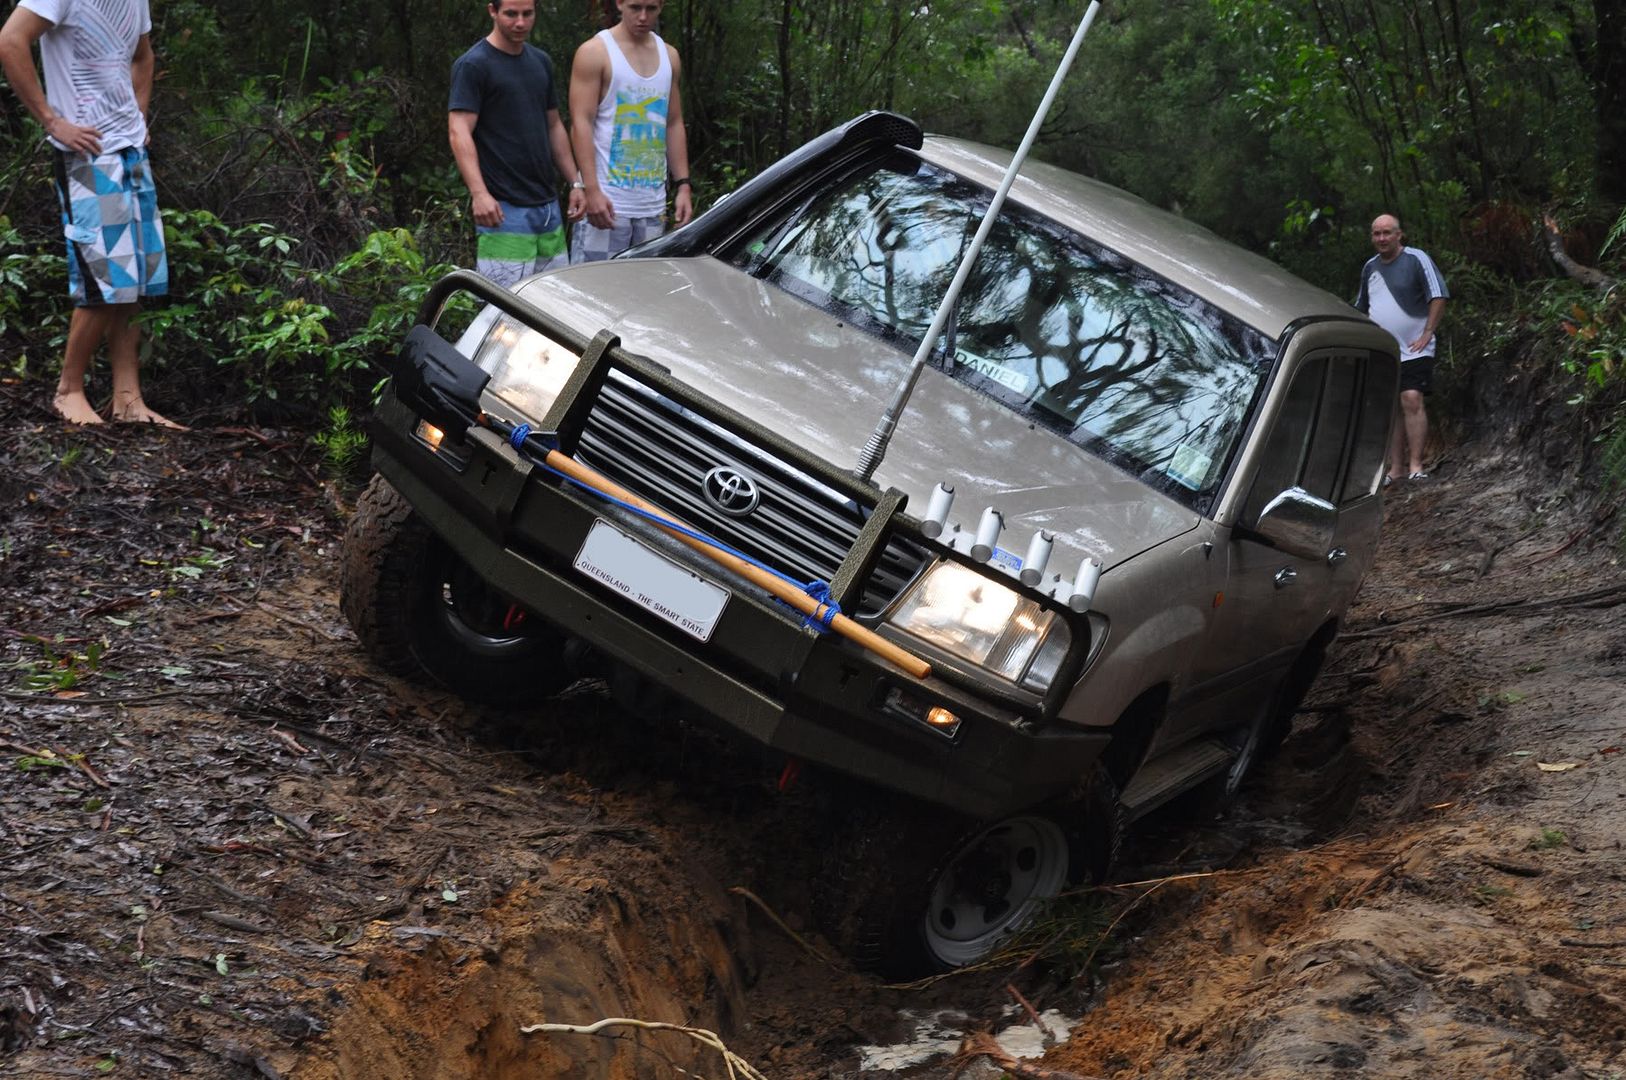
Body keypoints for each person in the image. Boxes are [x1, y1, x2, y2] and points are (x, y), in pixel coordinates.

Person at [0, 0, 180, 427]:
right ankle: (69, 391)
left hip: (130, 149)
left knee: (136, 278)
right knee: (106, 278)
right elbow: (10, 40)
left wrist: (138, 114)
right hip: (87, 156)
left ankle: (128, 400)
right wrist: (51, 120)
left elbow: (143, 55)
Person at [448, 0, 584, 288]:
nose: (520, 22)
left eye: (527, 14)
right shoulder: (474, 65)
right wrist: (479, 193)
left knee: (554, 302)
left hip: (547, 207)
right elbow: (459, 131)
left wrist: (575, 183)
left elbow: (553, 125)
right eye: (511, 14)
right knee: (501, 309)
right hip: (504, 209)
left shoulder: (540, 62)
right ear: (492, 11)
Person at [568, 0, 691, 262]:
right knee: (593, 290)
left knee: (640, 293)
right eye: (635, 7)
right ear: (620, 3)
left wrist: (683, 185)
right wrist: (591, 190)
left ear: (661, 6)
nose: (643, 17)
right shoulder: (596, 52)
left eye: (651, 8)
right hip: (608, 202)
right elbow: (581, 122)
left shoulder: (669, 56)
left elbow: (673, 122)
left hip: (652, 205)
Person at [1354, 213, 1449, 483]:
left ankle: (1416, 465)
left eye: (1387, 233)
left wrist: (1428, 332)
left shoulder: (1417, 259)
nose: (1382, 238)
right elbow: (1361, 308)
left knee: (1411, 399)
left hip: (1415, 347)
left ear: (1399, 234)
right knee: (1390, 407)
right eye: (1377, 234)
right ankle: (1395, 470)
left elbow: (1439, 295)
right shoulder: (1369, 268)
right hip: (1383, 349)